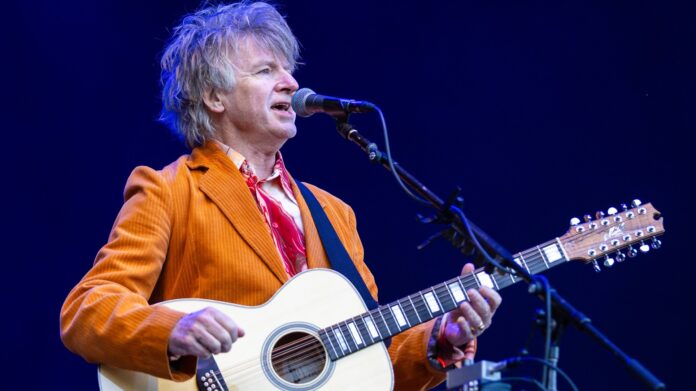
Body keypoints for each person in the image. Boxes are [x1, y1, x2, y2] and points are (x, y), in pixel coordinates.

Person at [60, 2, 501, 390]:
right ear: (214, 96)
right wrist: (172, 330)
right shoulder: (170, 190)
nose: (290, 82)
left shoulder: (333, 213)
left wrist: (439, 340)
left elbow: (372, 364)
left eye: (288, 69)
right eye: (266, 70)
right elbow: (87, 309)